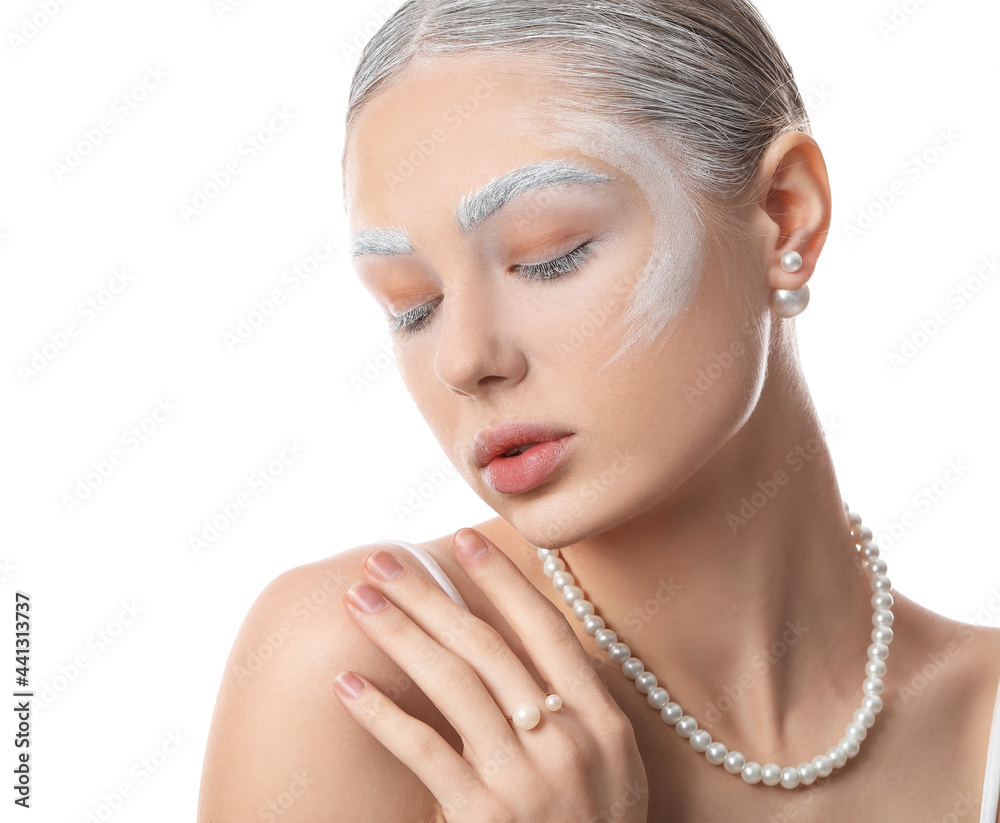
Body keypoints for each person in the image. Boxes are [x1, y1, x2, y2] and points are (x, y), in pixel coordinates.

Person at [197, 1, 1000, 820]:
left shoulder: (985, 718)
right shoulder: (371, 679)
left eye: (550, 256)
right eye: (413, 305)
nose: (465, 359)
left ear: (786, 214)